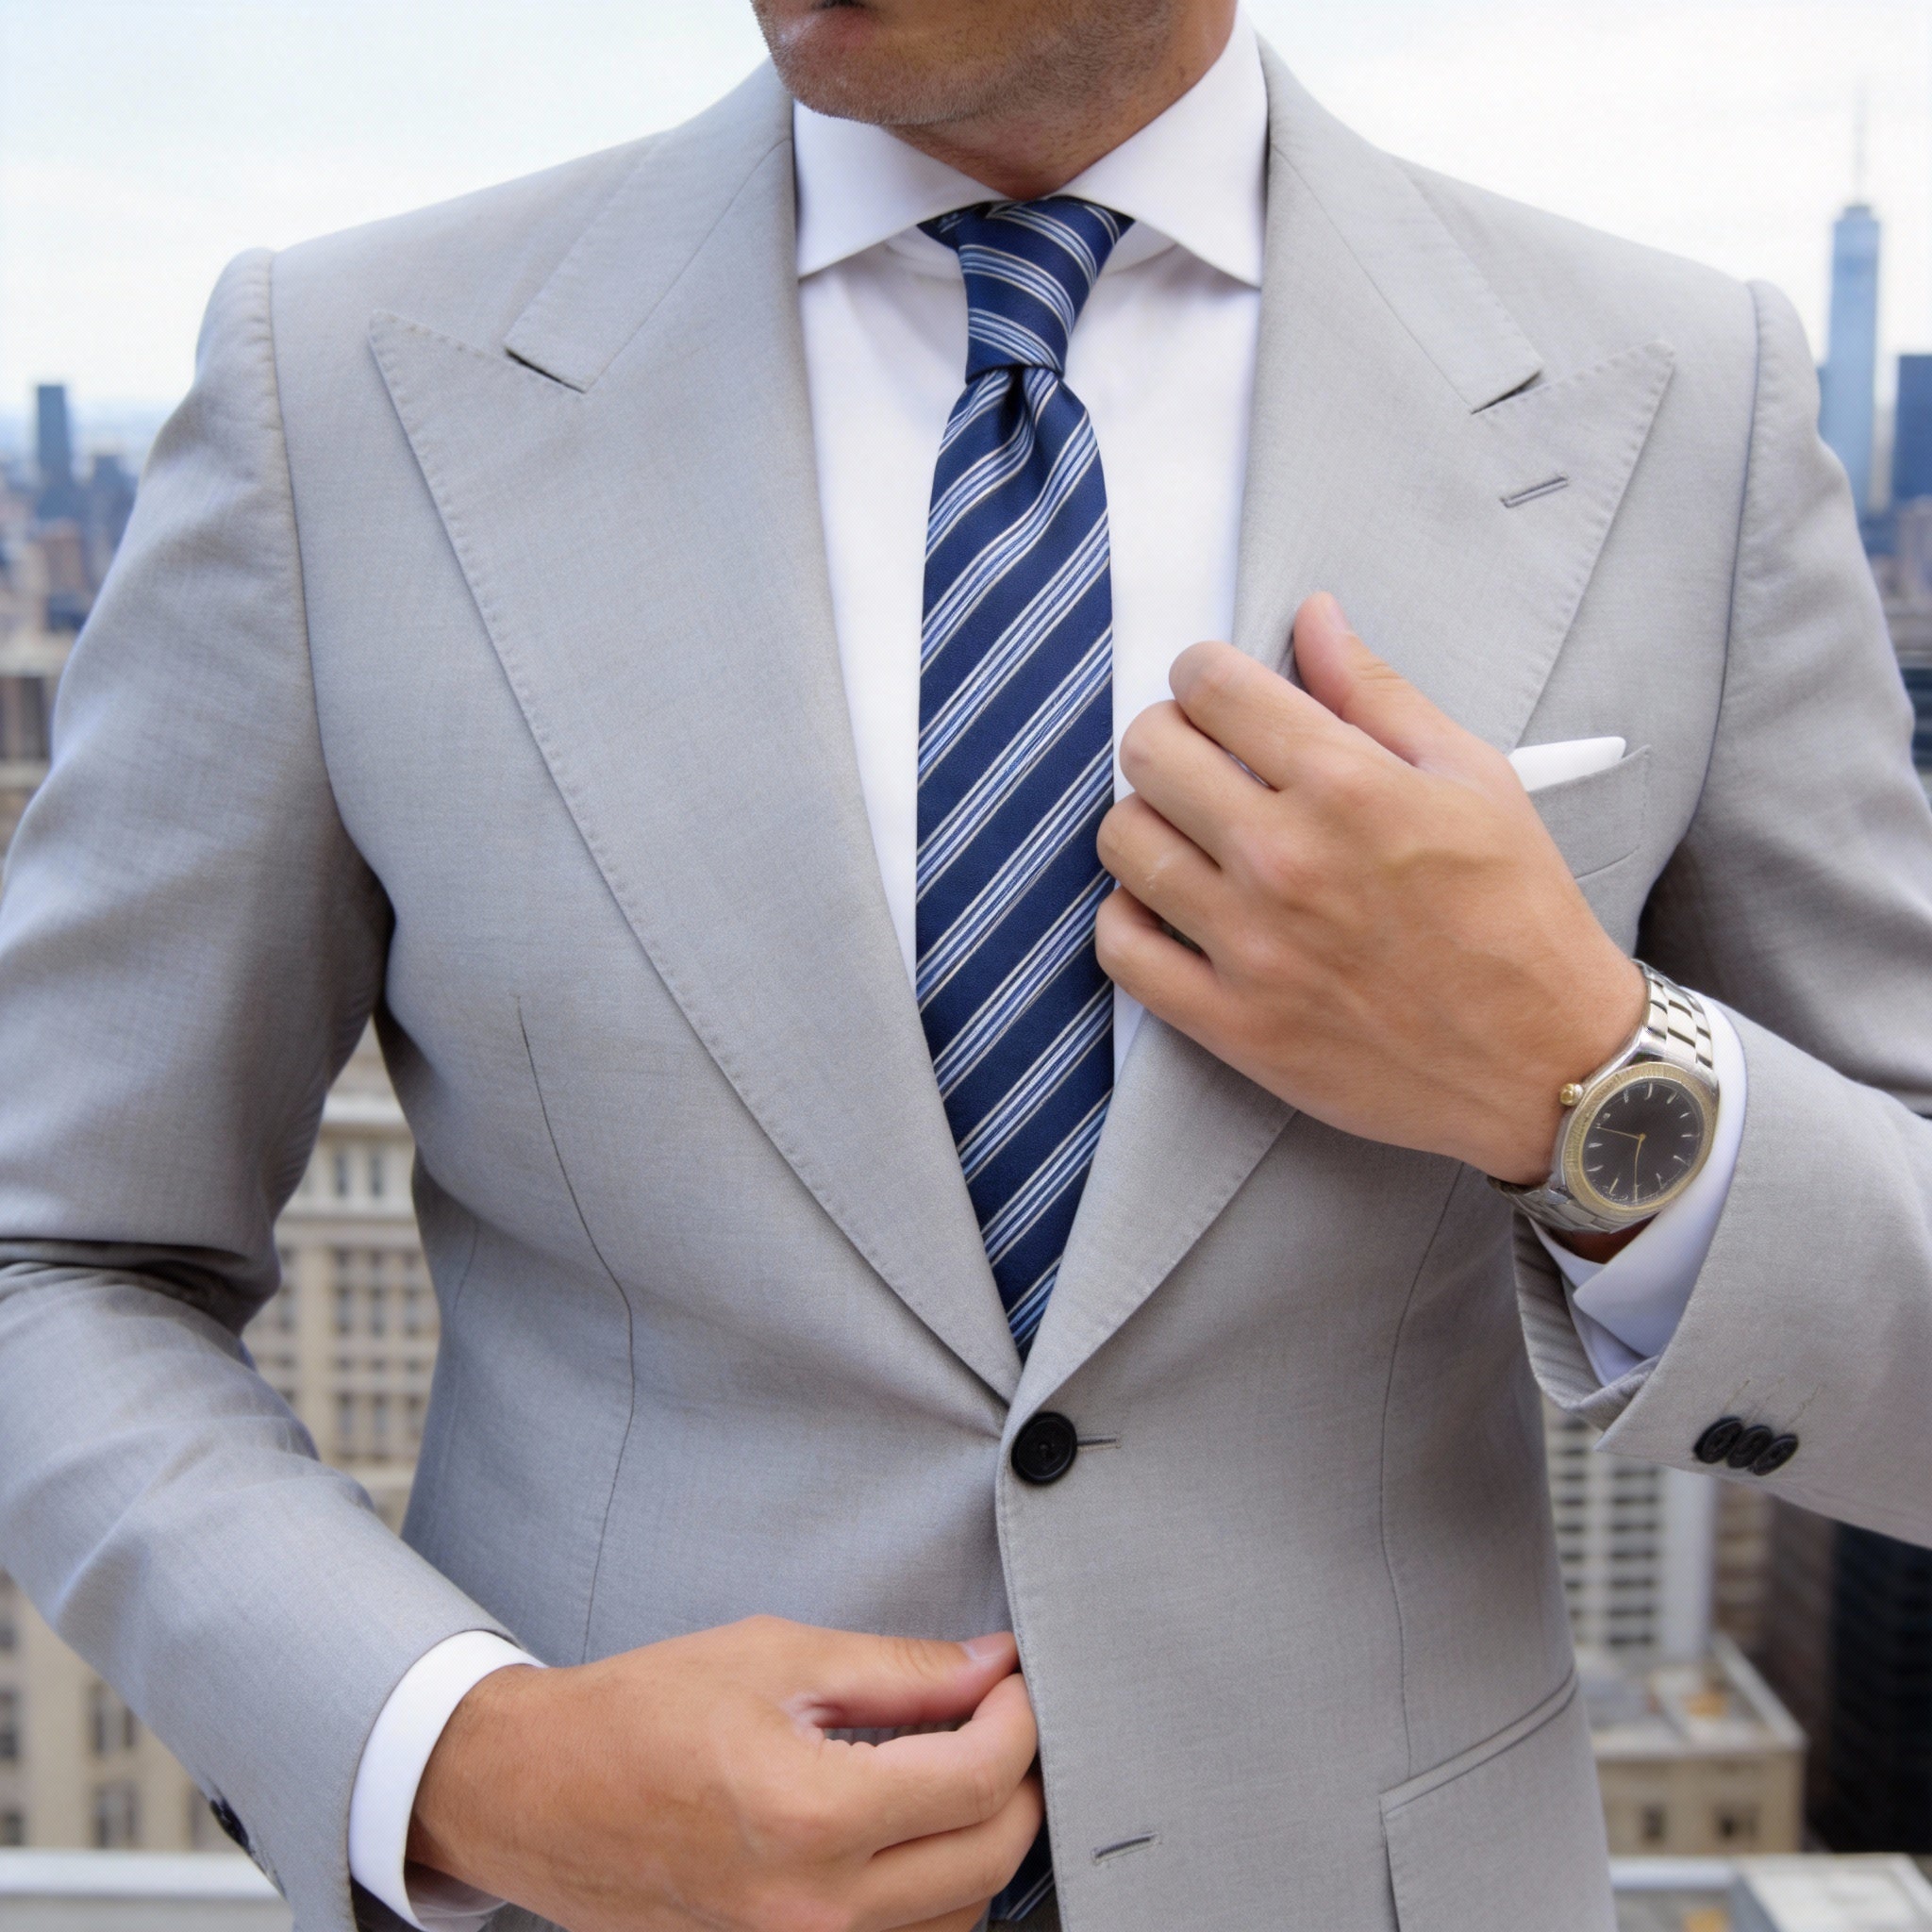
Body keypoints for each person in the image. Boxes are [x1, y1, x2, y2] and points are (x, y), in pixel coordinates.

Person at [2, 0, 1929, 1927]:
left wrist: (1588, 1083)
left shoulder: (1686, 399)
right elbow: (55, 1253)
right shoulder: (337, 385)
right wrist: (468, 1758)